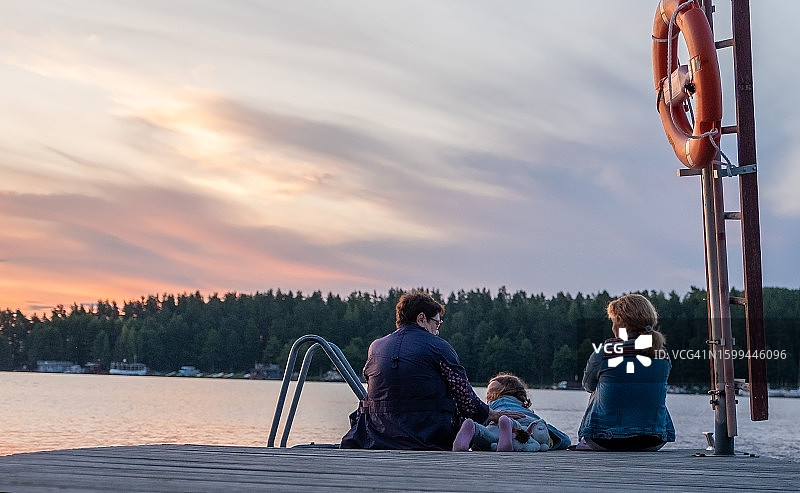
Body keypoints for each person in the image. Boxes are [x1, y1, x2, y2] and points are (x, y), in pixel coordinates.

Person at [340, 290, 522, 450]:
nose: (437, 330)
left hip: (377, 436)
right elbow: (466, 400)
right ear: (421, 318)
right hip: (427, 438)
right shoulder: (438, 346)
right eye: (437, 323)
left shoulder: (375, 347)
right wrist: (491, 414)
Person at [577, 293, 675, 451]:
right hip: (653, 441)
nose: (612, 327)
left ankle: (589, 435)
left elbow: (588, 386)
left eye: (613, 321)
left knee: (598, 388)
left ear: (621, 323)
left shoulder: (605, 352)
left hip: (605, 440)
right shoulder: (662, 354)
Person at [452, 372, 571, 452]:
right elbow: (564, 440)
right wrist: (552, 441)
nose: (488, 397)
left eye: (491, 393)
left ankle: (472, 427)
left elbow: (484, 422)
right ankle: (507, 437)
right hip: (527, 426)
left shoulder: (493, 408)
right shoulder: (526, 411)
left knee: (487, 434)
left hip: (496, 424)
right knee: (532, 437)